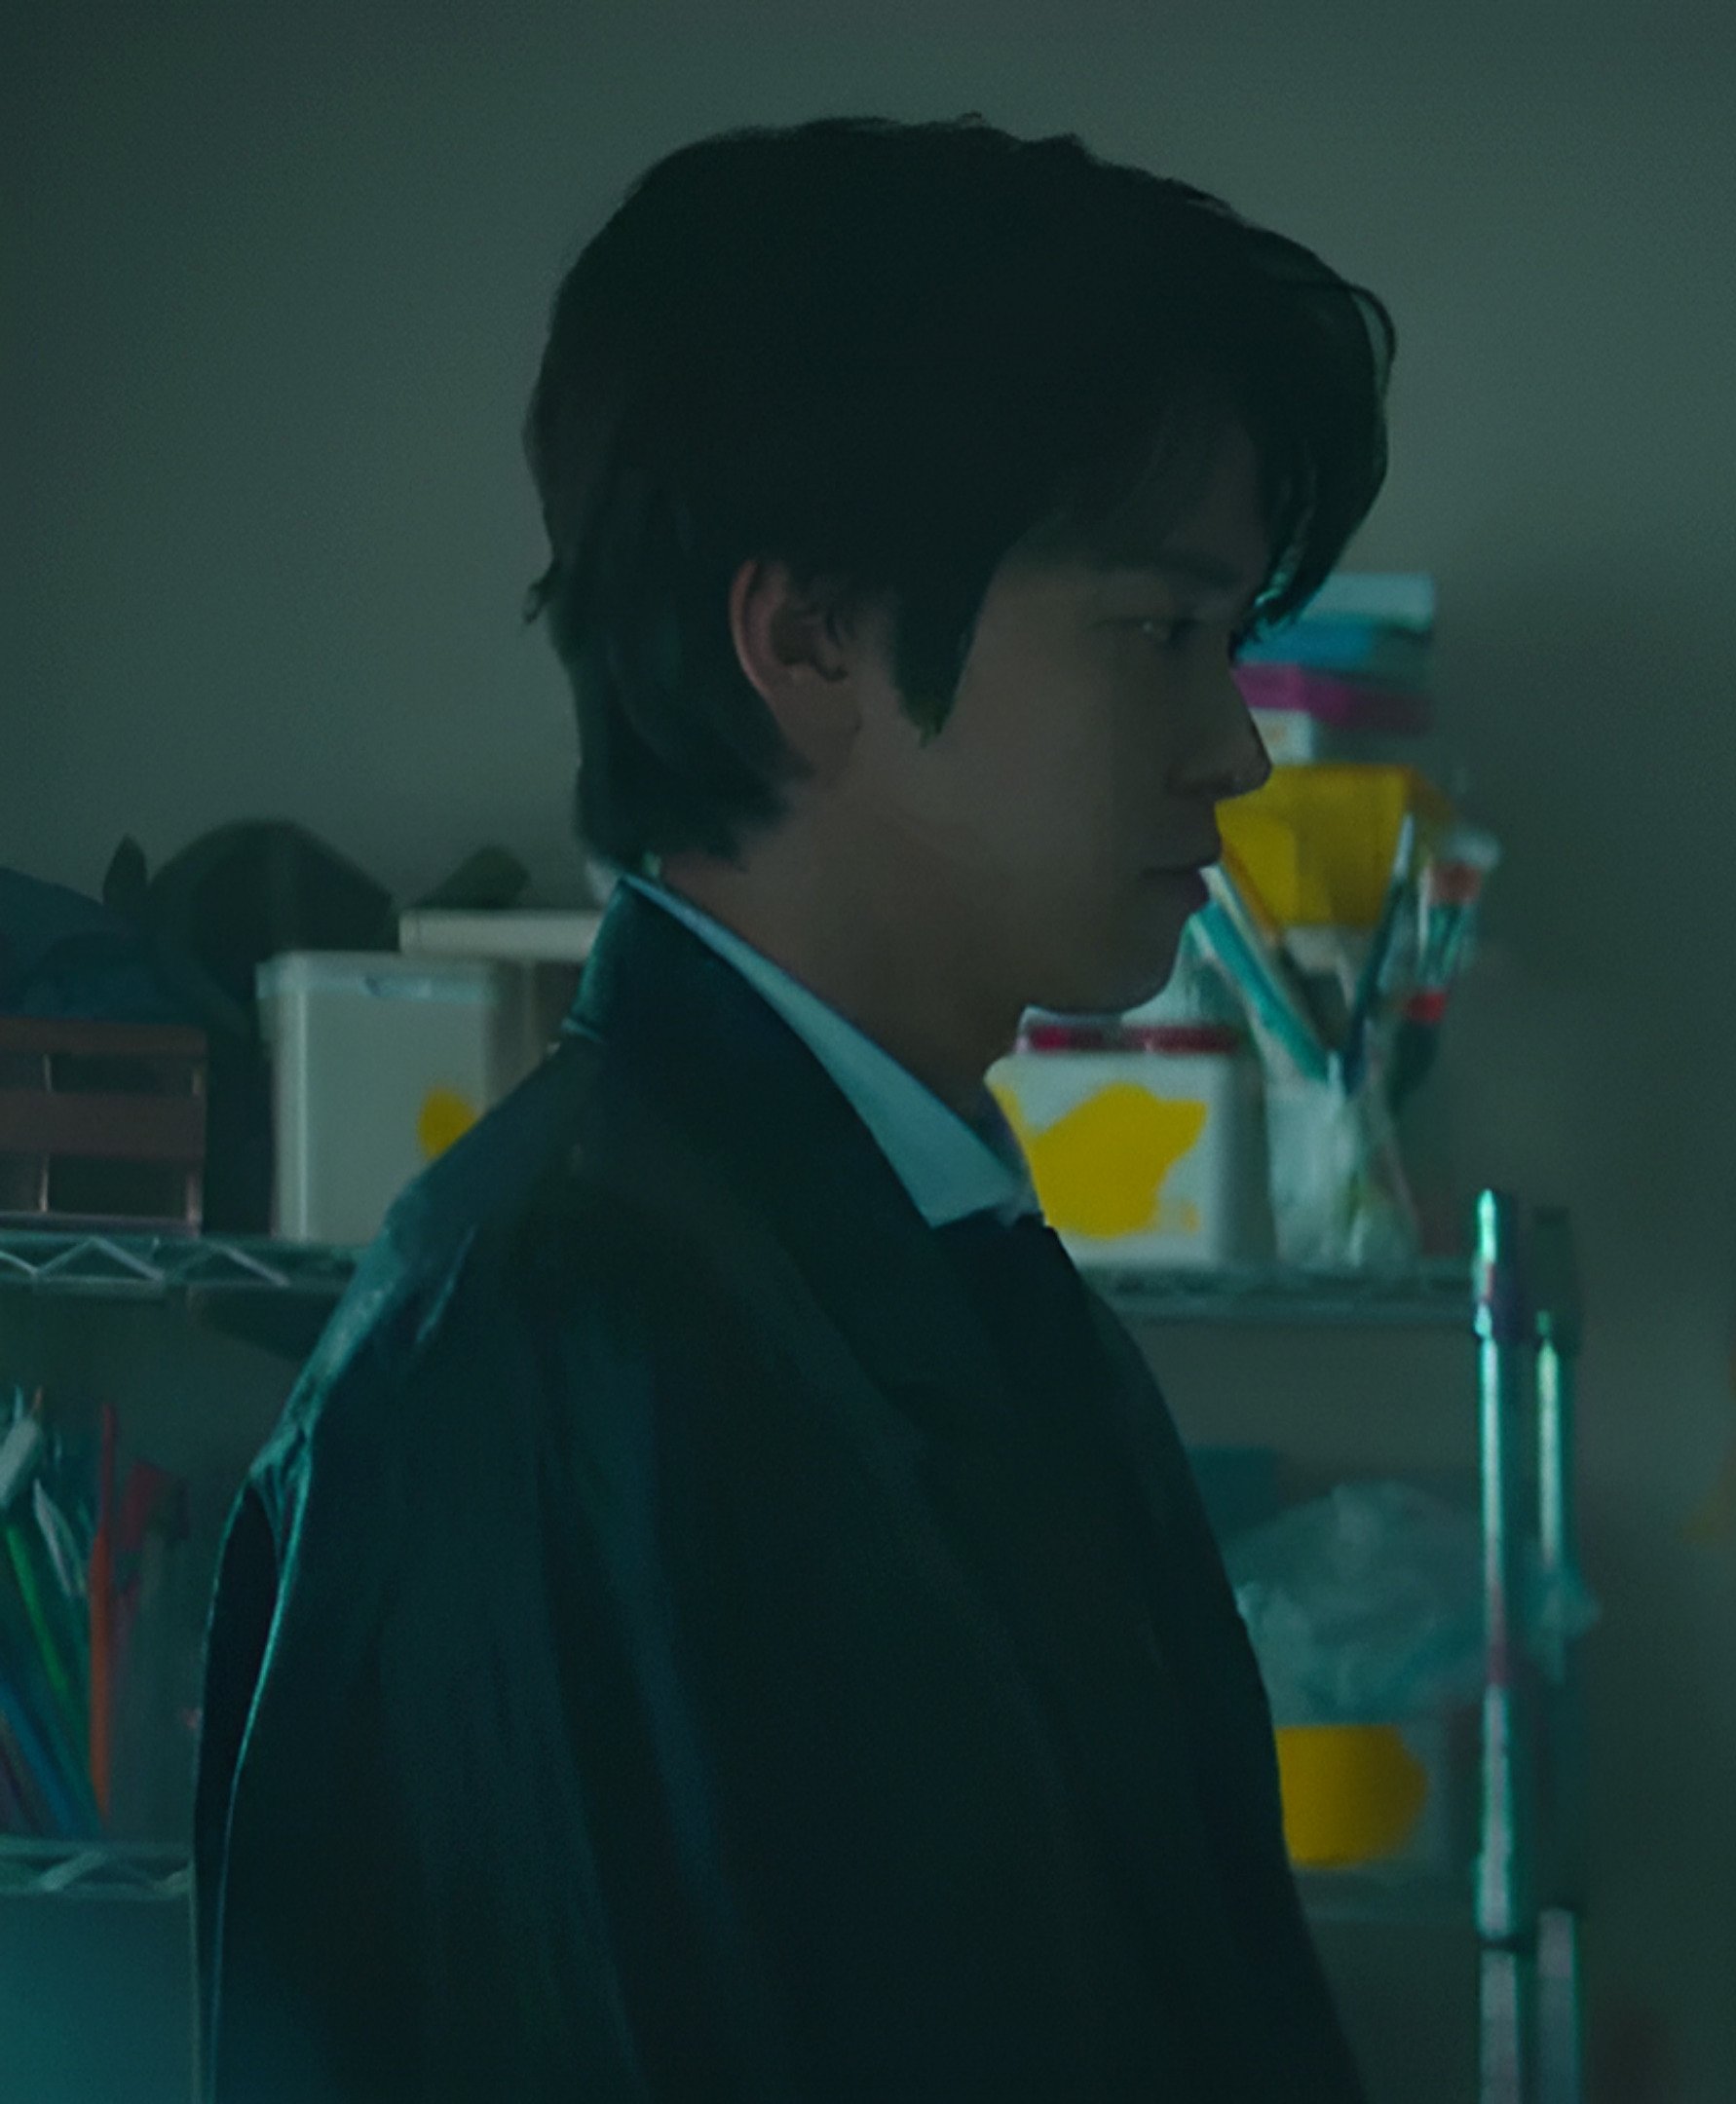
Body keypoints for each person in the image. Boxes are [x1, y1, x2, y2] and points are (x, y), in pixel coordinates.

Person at [191, 116, 1391, 2101]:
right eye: (1161, 633)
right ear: (810, 637)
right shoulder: (539, 1349)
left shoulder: (948, 1266)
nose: (1237, 748)